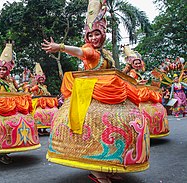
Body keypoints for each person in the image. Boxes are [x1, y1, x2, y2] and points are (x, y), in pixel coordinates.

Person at [42, 1, 149, 183]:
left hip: (108, 92)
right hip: (90, 96)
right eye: (89, 35)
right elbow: (80, 52)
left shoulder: (106, 53)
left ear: (103, 34)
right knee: (93, 131)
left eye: (96, 34)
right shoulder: (90, 51)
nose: (92, 38)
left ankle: (107, 167)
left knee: (115, 127)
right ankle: (97, 172)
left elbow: (113, 73)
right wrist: (61, 47)